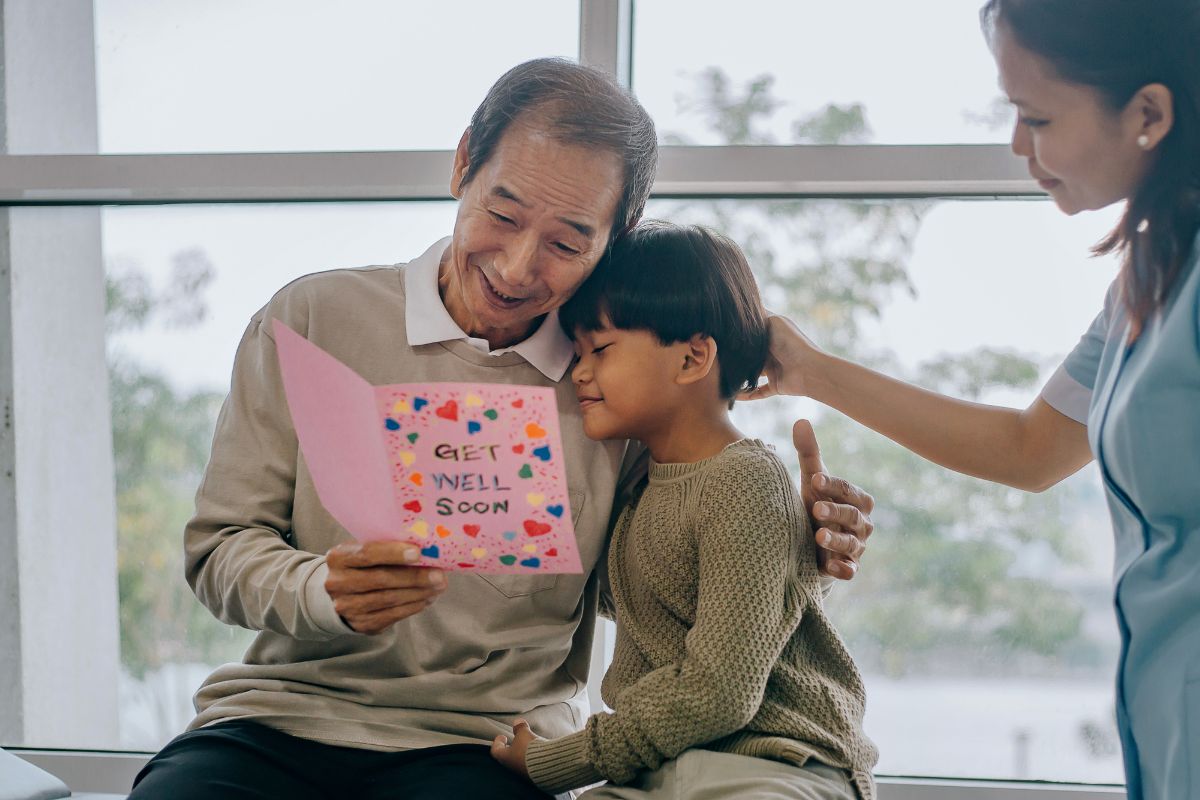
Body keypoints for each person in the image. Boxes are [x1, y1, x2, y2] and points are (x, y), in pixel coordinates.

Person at [127, 58, 875, 800]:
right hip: (278, 721)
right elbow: (220, 549)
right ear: (462, 165)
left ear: (620, 234)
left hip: (487, 743)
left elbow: (669, 576)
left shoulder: (617, 395)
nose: (518, 268)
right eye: (504, 216)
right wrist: (321, 588)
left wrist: (794, 543)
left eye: (567, 243)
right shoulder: (313, 321)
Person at [743, 2, 1200, 798]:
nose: (1019, 145)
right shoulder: (1146, 284)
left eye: (1037, 117)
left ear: (1149, 114)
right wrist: (812, 372)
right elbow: (1029, 449)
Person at [489, 222, 878, 800]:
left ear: (694, 357)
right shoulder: (638, 490)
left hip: (772, 763)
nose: (580, 372)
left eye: (600, 349)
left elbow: (721, 690)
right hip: (660, 771)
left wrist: (560, 762)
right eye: (576, 353)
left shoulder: (745, 478)